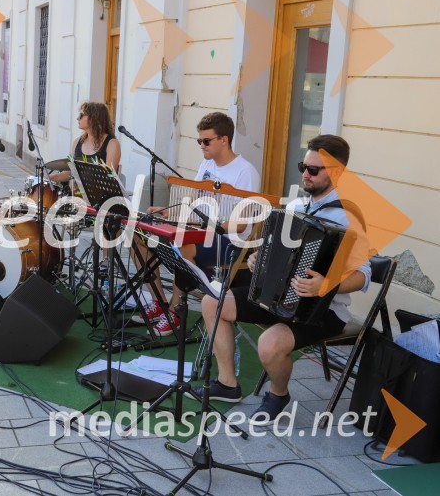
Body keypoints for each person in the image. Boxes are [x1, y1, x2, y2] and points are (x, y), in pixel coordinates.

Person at [191, 134, 371, 425]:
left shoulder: (350, 217)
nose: (305, 174)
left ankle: (278, 394)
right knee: (213, 303)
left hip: (322, 310)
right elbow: (271, 249)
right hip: (276, 297)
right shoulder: (296, 207)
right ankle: (227, 383)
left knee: (268, 344)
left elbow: (364, 276)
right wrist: (256, 259)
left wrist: (326, 284)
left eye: (314, 170)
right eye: (304, 166)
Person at [131, 112, 260, 335]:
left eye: (206, 141)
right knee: (138, 235)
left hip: (229, 242)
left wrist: (207, 226)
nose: (201, 145)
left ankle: (176, 310)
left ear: (224, 140)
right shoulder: (206, 164)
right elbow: (193, 205)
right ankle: (158, 302)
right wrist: (167, 213)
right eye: (199, 140)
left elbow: (241, 225)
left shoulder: (245, 171)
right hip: (200, 231)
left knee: (181, 244)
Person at [48, 101, 121, 183]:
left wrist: (81, 186)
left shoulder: (112, 144)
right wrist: (53, 177)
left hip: (100, 194)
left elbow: (108, 176)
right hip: (78, 194)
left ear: (94, 118)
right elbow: (71, 172)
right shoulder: (77, 142)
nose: (78, 118)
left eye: (82, 115)